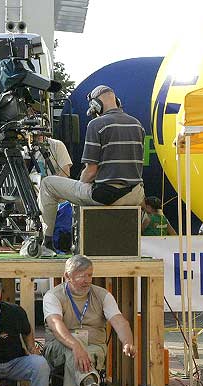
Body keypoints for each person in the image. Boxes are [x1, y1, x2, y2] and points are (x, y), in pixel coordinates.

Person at [38, 85, 145, 257]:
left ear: (96, 105)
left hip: (107, 195)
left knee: (48, 184)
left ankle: (46, 243)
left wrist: (79, 185)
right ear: (117, 101)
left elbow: (91, 171)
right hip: (135, 195)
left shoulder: (96, 124)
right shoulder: (137, 124)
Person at [43, 255, 136, 386]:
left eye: (89, 275)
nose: (86, 280)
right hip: (58, 347)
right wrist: (76, 345)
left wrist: (127, 342)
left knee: (76, 360)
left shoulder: (102, 295)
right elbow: (56, 325)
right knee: (73, 353)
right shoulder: (53, 295)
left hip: (94, 348)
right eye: (80, 275)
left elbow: (119, 321)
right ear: (67, 276)